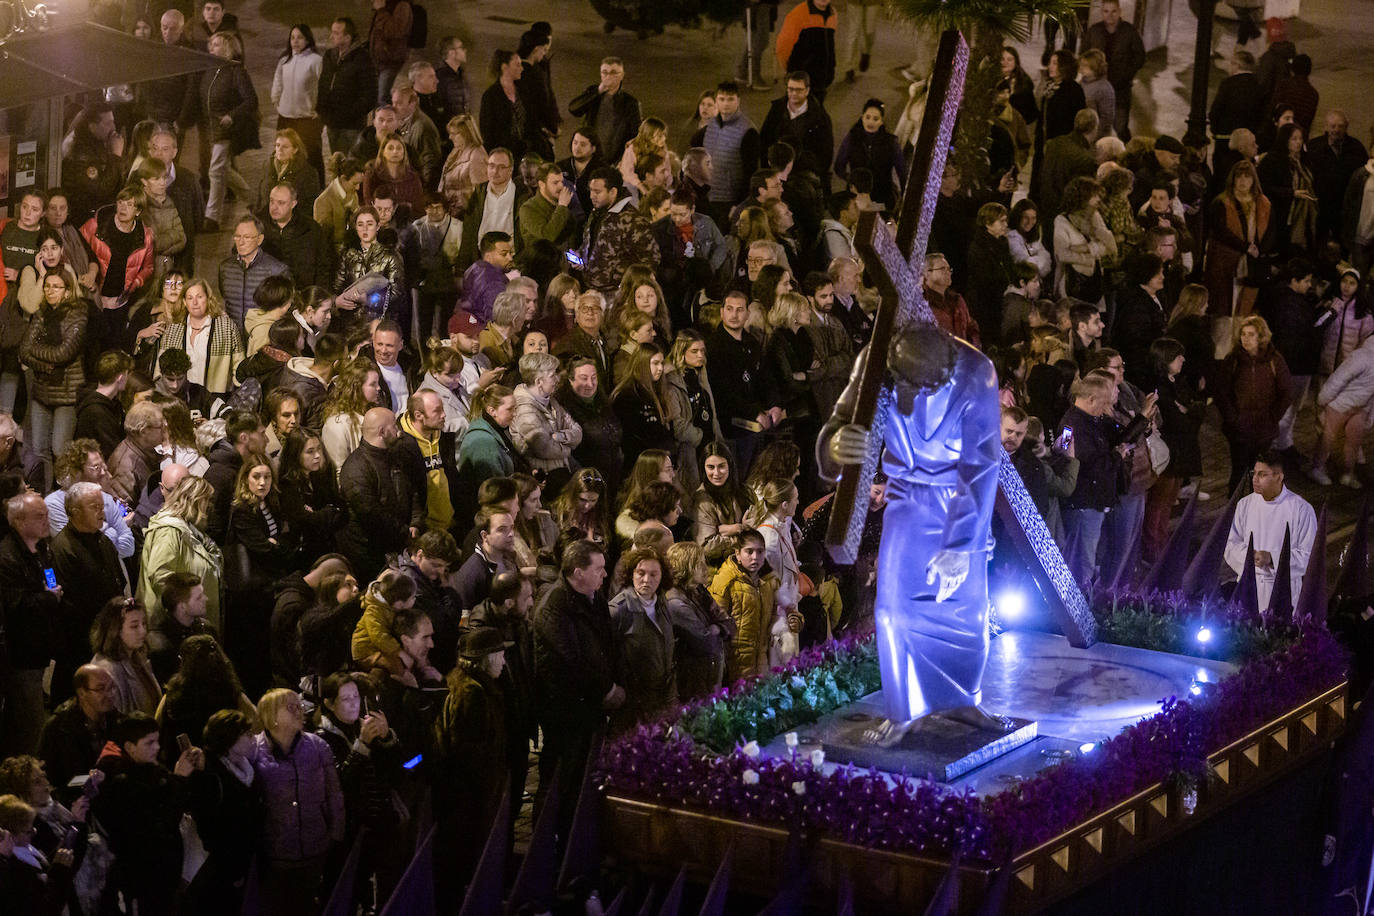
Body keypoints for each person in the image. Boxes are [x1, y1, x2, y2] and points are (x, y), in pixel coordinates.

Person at [532, 540, 621, 832]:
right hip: (566, 711)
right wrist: (606, 690)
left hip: (588, 707)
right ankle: (547, 841)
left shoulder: (592, 597)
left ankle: (574, 835)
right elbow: (572, 660)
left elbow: (604, 646)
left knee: (581, 779)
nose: (605, 575)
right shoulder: (554, 606)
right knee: (560, 779)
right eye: (598, 569)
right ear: (578, 572)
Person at [92, 713, 202, 916]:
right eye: (149, 743)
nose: (157, 748)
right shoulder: (122, 784)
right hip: (141, 879)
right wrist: (178, 780)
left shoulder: (153, 771)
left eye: (157, 741)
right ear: (129, 747)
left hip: (165, 876)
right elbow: (159, 825)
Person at [430, 626, 509, 909]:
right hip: (468, 800)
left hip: (463, 797)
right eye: (500, 656)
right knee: (464, 861)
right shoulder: (473, 693)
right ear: (486, 658)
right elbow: (470, 754)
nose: (503, 662)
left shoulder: (468, 684)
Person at [314, 673, 405, 906]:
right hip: (349, 834)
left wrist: (387, 738)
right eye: (346, 699)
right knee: (348, 893)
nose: (354, 703)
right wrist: (362, 745)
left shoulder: (362, 728)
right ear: (329, 704)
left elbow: (399, 770)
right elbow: (340, 784)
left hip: (378, 826)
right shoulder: (322, 740)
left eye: (356, 696)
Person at [253, 688, 345, 915]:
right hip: (276, 852)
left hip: (315, 846)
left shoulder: (317, 746)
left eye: (299, 705)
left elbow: (334, 792)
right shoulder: (255, 751)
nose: (300, 710)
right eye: (291, 707)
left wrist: (336, 831)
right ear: (271, 715)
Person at [0, 493, 62, 756]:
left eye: (47, 514)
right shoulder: (7, 557)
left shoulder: (42, 548)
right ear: (18, 521)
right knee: (31, 722)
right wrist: (49, 598)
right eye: (39, 516)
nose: (46, 520)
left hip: (40, 647)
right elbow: (14, 605)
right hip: (20, 653)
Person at [184, 709, 261, 915]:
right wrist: (232, 870)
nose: (253, 738)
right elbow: (211, 828)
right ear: (229, 739)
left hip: (245, 862)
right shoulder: (210, 776)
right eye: (247, 734)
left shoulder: (246, 767)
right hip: (221, 870)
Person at [1225, 450, 1317, 608]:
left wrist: (1272, 559)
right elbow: (1230, 544)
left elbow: (1308, 556)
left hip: (1281, 591)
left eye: (1262, 475)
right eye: (1254, 473)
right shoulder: (1244, 505)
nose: (1255, 479)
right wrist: (1248, 557)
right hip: (1247, 587)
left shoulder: (1301, 509)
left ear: (1279, 477)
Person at [339, 407, 417, 582]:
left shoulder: (397, 455)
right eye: (394, 426)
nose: (398, 431)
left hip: (398, 542)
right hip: (370, 555)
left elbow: (413, 491)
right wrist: (405, 532)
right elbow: (371, 515)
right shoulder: (356, 469)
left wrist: (415, 522)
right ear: (382, 431)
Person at [138, 476, 224, 629]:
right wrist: (185, 610)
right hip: (174, 627)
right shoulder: (169, 531)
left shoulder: (190, 530)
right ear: (194, 501)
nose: (209, 507)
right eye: (206, 501)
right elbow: (160, 576)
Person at [202, 31, 260, 233]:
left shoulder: (236, 71)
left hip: (226, 128)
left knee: (215, 170)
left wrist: (232, 116)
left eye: (217, 44)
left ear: (229, 47)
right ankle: (255, 202)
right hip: (212, 127)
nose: (212, 48)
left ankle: (212, 218)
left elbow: (250, 100)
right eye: (211, 44)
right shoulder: (211, 69)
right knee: (224, 169)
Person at [1205, 160, 1272, 317]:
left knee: (1247, 308)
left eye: (1247, 177)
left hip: (1253, 263)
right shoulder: (1221, 202)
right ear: (1233, 179)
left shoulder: (1264, 203)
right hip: (1226, 261)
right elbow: (1221, 231)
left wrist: (1259, 250)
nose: (1243, 181)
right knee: (1224, 307)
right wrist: (1244, 247)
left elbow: (1270, 231)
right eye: (1239, 177)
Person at [37, 665, 119, 790]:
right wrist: (91, 778)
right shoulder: (60, 728)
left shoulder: (116, 720)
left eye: (112, 687)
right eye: (100, 689)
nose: (109, 694)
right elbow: (52, 777)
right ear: (82, 693)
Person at [1083, 0, 1145, 140]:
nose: (1109, 15)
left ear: (1119, 12)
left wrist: (1127, 74)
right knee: (1095, 126)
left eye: (1113, 11)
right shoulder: (1094, 30)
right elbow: (1084, 53)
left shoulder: (1129, 31)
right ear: (1101, 12)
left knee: (1120, 126)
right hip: (1096, 87)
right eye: (1106, 11)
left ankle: (1126, 155)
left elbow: (1139, 57)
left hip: (1120, 88)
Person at [833, 99, 905, 211]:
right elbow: (838, 166)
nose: (870, 122)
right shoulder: (852, 138)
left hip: (882, 195)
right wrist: (853, 180)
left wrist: (904, 197)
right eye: (867, 117)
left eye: (875, 119)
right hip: (857, 195)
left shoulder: (891, 142)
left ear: (881, 121)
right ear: (862, 117)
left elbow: (902, 172)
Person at [569, 56, 642, 163]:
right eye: (604, 72)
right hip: (590, 154)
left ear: (622, 75)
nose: (608, 76)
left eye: (613, 73)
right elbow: (574, 109)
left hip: (614, 157)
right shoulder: (593, 93)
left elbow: (635, 132)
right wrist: (597, 92)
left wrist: (623, 158)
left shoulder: (630, 102)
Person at [775, 0, 837, 101]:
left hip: (821, 82)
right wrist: (792, 71)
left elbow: (830, 47)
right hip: (800, 81)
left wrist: (830, 72)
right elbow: (783, 47)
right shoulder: (798, 14)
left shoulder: (832, 14)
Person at [367, 0, 413, 105]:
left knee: (382, 99)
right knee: (376, 98)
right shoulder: (387, 7)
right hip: (378, 61)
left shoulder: (402, 6)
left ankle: (387, 120)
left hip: (390, 61)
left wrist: (381, 11)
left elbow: (396, 31)